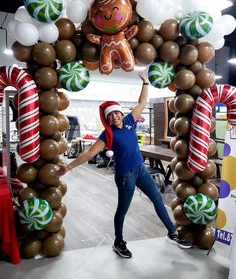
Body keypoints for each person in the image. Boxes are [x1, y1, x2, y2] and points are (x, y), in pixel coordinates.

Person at [56, 72, 192, 258]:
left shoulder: (129, 121)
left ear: (121, 112)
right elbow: (89, 153)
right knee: (123, 209)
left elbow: (142, 102)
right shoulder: (107, 135)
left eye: (116, 112)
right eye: (110, 115)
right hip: (125, 175)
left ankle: (172, 233)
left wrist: (145, 82)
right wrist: (69, 167)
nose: (115, 116)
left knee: (158, 200)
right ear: (108, 119)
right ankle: (118, 241)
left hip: (140, 170)